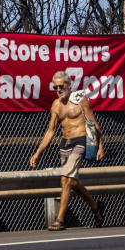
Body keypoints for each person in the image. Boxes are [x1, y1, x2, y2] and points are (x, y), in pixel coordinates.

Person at [29, 71, 105, 231]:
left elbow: (93, 123)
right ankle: (95, 206)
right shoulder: (56, 105)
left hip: (81, 141)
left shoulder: (80, 100)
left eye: (61, 86)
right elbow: (51, 131)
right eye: (55, 87)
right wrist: (38, 152)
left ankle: (60, 220)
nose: (58, 89)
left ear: (69, 86)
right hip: (65, 144)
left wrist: (100, 146)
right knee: (72, 182)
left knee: (65, 179)